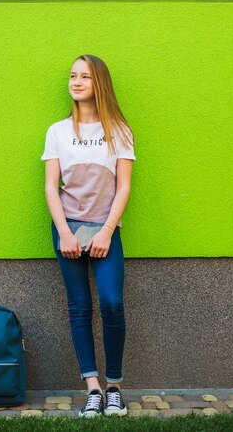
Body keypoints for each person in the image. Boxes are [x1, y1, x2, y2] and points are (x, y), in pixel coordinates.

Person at [40, 54, 137, 417]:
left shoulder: (120, 131)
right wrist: (64, 232)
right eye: (72, 76)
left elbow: (124, 187)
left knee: (111, 302)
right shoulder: (57, 131)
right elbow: (51, 187)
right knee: (79, 307)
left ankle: (114, 387)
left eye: (85, 77)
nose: (76, 82)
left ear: (100, 84)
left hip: (106, 229)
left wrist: (108, 232)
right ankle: (93, 388)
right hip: (68, 228)